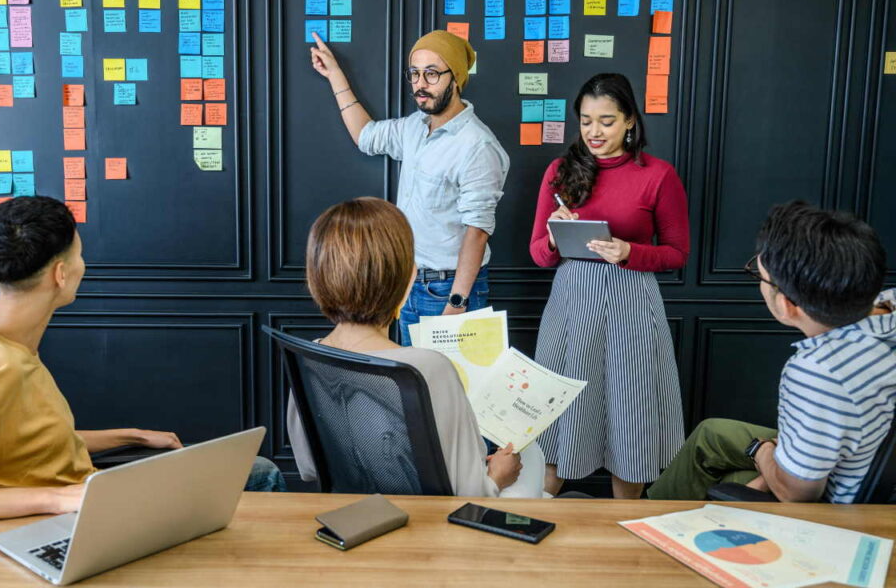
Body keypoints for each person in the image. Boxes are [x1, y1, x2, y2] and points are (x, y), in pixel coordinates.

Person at [0, 197, 284, 528]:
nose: (83, 265)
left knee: (245, 467)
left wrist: (133, 435)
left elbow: (31, 444)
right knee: (261, 472)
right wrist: (58, 499)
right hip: (80, 506)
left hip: (82, 484)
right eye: (81, 255)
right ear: (60, 274)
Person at [288, 197, 546, 497]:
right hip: (433, 528)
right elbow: (472, 491)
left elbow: (308, 466)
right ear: (409, 276)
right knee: (531, 456)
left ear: (317, 275)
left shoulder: (308, 356)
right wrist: (499, 475)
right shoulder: (428, 366)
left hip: (352, 517)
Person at [648, 202, 895, 503]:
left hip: (833, 508)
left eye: (760, 275)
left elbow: (797, 493)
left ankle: (654, 527)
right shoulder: (889, 303)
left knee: (728, 481)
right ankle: (652, 513)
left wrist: (762, 451)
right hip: (859, 451)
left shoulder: (817, 371)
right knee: (710, 434)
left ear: (787, 305)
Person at [529, 73, 689, 499]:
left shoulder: (658, 175)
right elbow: (539, 256)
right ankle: (543, 507)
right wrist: (551, 234)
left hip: (632, 302)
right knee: (559, 411)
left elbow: (677, 253)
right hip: (571, 303)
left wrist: (630, 252)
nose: (594, 132)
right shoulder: (559, 172)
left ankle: (626, 519)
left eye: (606, 121)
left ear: (630, 121)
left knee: (630, 411)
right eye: (585, 121)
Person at [310, 30, 509, 346]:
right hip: (410, 284)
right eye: (415, 74)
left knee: (450, 390)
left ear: (455, 78)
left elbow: (477, 231)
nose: (420, 84)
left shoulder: (477, 145)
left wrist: (456, 304)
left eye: (432, 74)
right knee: (413, 389)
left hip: (450, 290)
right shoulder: (415, 127)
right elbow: (366, 136)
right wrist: (335, 75)